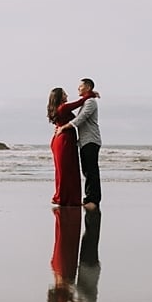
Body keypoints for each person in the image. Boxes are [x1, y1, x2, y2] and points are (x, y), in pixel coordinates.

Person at [46, 86, 97, 206]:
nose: (67, 96)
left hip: (61, 140)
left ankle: (61, 197)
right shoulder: (63, 107)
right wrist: (91, 94)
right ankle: (65, 198)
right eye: (64, 94)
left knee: (63, 170)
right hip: (64, 141)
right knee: (67, 170)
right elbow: (80, 102)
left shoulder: (57, 109)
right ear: (59, 97)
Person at [59, 78, 103, 211]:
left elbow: (81, 118)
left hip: (91, 140)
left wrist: (64, 127)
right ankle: (88, 198)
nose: (78, 88)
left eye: (81, 86)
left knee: (91, 171)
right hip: (84, 141)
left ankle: (94, 200)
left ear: (88, 87)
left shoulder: (90, 102)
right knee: (86, 171)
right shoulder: (87, 100)